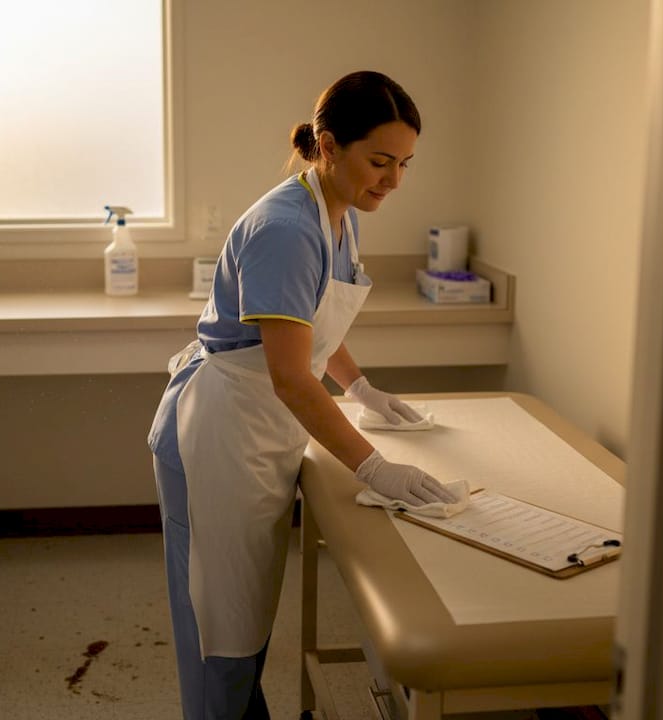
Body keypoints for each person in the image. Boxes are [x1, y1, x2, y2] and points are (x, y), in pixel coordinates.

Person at [147, 70, 456, 720]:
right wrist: (372, 464)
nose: (393, 181)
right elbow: (290, 376)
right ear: (328, 143)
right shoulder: (287, 229)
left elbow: (306, 323)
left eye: (404, 164)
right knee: (218, 624)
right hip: (222, 431)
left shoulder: (339, 212)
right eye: (379, 161)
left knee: (248, 608)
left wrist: (360, 386)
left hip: (261, 428)